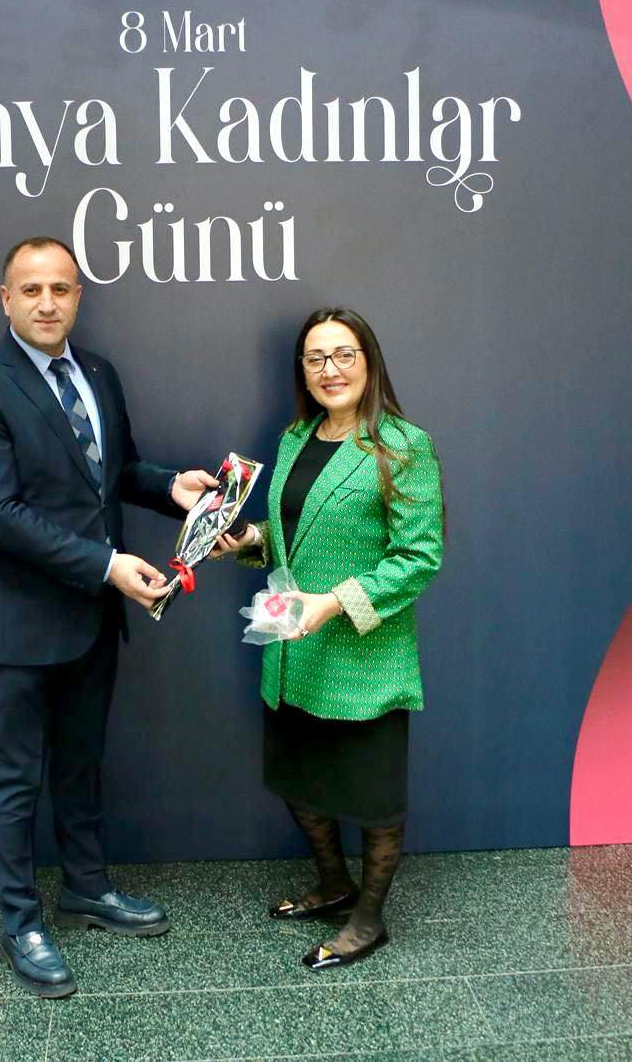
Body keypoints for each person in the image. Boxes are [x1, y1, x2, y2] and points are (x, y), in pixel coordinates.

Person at [0, 236, 219, 998]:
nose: (47, 303)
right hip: (21, 618)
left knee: (81, 763)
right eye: (31, 290)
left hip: (94, 615)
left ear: (78, 296)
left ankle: (88, 889)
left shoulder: (97, 373)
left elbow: (113, 475)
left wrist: (172, 489)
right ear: (5, 298)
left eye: (60, 288)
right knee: (16, 777)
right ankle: (20, 921)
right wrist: (107, 566)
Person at [213, 306, 445, 969]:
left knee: (372, 795)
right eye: (315, 358)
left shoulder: (403, 445)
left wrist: (336, 603)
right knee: (299, 779)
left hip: (363, 655)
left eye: (344, 354)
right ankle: (334, 882)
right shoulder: (295, 438)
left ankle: (368, 919)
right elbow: (292, 535)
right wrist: (248, 539)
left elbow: (420, 557)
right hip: (291, 646)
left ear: (369, 361)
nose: (330, 369)